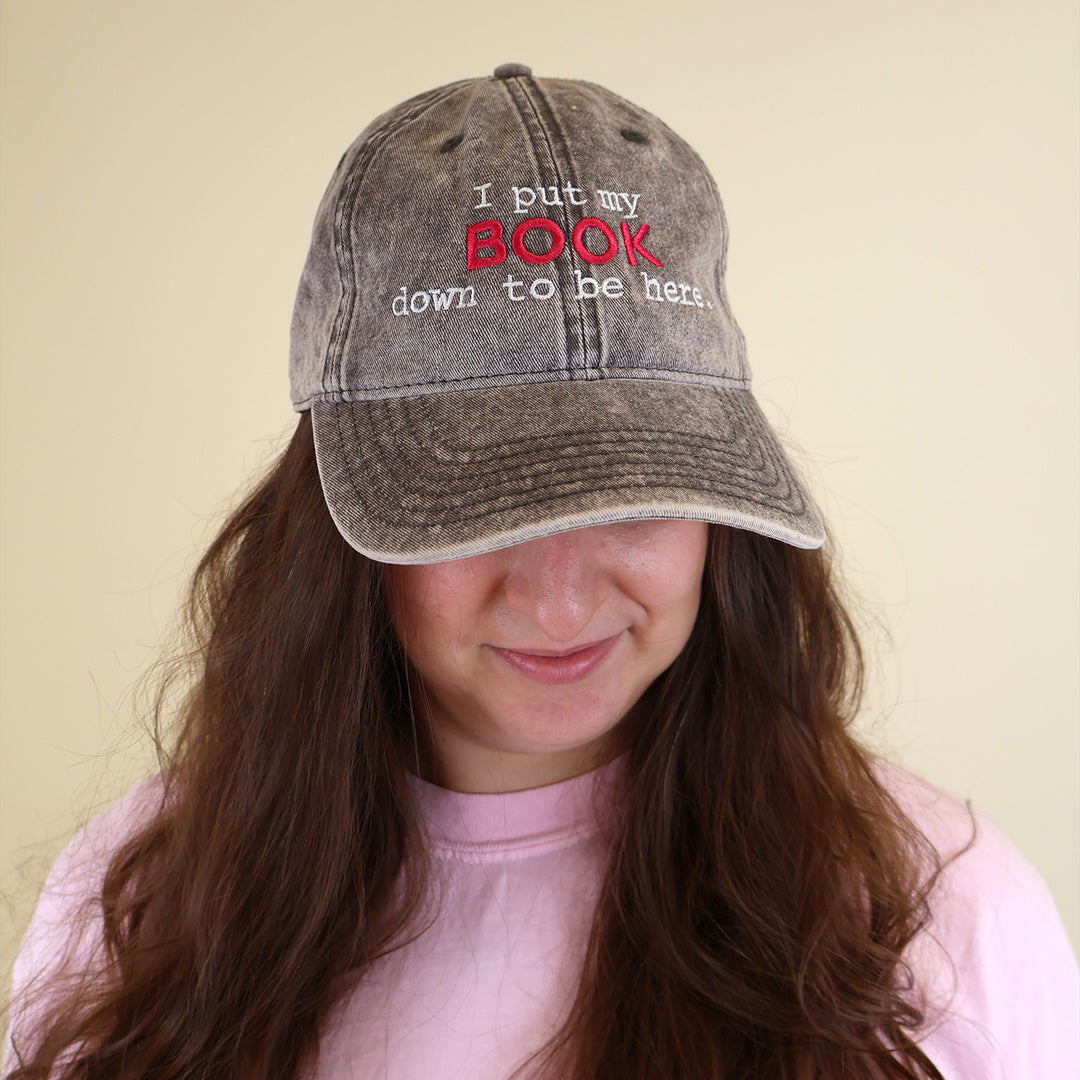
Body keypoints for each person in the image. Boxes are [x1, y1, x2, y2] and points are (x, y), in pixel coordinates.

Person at [4, 64, 1077, 1080]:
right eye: (477, 506)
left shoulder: (940, 920)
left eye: (636, 497)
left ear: (724, 514)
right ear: (335, 526)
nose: (561, 601)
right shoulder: (137, 922)